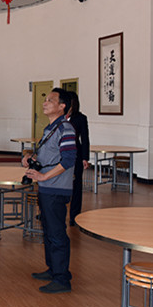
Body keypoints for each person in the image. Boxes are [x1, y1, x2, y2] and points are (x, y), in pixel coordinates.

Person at [23, 88, 77, 294]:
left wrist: (44, 176)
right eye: (45, 100)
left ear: (62, 106)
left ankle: (62, 278)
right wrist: (32, 160)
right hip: (47, 188)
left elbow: (68, 160)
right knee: (48, 231)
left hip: (56, 188)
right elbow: (52, 157)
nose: (45, 103)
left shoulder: (66, 129)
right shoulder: (51, 128)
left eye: (50, 100)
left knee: (56, 233)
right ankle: (53, 269)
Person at [67, 91, 90, 226]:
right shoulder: (59, 116)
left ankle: (74, 216)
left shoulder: (81, 118)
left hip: (76, 154)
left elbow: (85, 139)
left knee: (76, 186)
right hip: (59, 155)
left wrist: (85, 157)